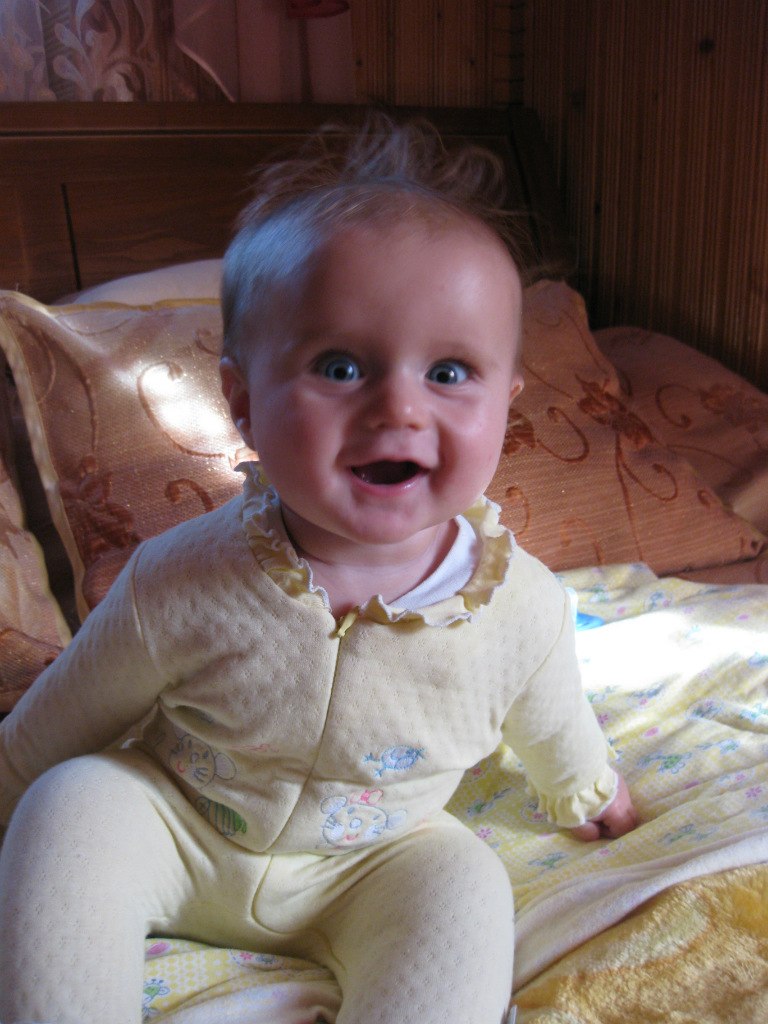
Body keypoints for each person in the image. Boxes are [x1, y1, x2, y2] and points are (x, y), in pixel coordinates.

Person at [0, 115, 638, 1024]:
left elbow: (555, 721)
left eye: (450, 372)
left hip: (374, 861)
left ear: (507, 403)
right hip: (179, 824)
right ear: (242, 402)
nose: (399, 409)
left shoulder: (522, 611)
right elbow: (60, 717)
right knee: (70, 803)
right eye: (340, 366)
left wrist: (585, 789)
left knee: (465, 885)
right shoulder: (179, 579)